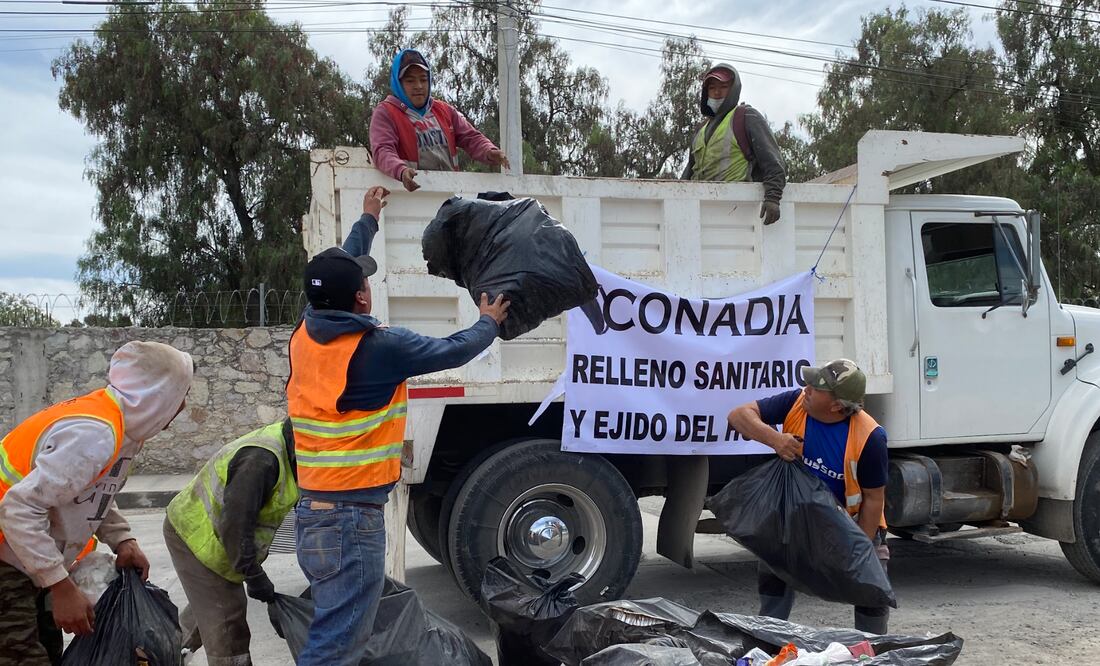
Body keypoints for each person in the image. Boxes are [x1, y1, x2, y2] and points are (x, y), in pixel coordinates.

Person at [287, 186, 510, 664]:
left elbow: (341, 265)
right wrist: (489, 321)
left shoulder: (307, 332)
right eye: (363, 284)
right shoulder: (379, 350)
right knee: (339, 644)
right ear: (361, 298)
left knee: (336, 627)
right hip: (351, 520)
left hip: (314, 516)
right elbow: (453, 349)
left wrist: (367, 221)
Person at [0, 341, 193, 665]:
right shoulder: (95, 434)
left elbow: (87, 491)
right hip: (8, 558)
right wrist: (60, 586)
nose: (184, 406)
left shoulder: (123, 429)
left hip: (24, 558)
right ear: (155, 395)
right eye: (180, 394)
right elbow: (18, 509)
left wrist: (122, 538)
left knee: (46, 653)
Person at [726, 358, 891, 634]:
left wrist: (858, 549)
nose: (807, 389)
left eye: (816, 387)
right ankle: (769, 637)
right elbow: (738, 415)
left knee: (871, 584)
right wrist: (776, 440)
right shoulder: (796, 402)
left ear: (837, 405)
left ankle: (871, 649)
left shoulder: (870, 436)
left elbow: (874, 499)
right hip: (795, 515)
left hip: (846, 523)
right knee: (774, 566)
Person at [163, 418, 298, 666]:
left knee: (207, 612)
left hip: (217, 539)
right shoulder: (260, 462)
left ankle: (155, 654)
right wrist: (255, 578)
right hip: (196, 536)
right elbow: (235, 528)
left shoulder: (294, 450)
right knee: (228, 624)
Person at [369, 48, 510, 192]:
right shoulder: (386, 113)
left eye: (423, 79)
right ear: (398, 84)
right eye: (410, 80)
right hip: (411, 195)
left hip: (449, 194)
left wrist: (489, 151)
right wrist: (401, 171)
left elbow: (471, 137)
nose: (418, 86)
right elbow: (382, 151)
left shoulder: (444, 110)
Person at [682, 63, 787, 225]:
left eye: (723, 87)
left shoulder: (746, 117)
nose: (717, 93)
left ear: (734, 89)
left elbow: (774, 163)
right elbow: (690, 170)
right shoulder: (700, 130)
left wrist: (773, 197)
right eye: (712, 88)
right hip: (700, 210)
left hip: (736, 208)